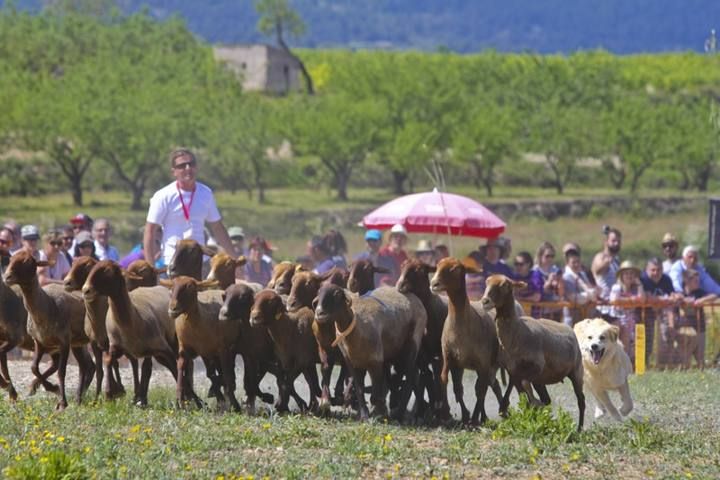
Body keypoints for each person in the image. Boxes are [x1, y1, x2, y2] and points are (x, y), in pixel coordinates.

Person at [144, 148, 237, 267]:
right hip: (172, 262)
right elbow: (149, 231)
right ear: (174, 171)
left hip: (200, 261)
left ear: (196, 167)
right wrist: (151, 267)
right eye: (182, 165)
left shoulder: (206, 193)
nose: (188, 168)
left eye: (191, 164)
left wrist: (234, 259)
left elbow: (217, 227)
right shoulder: (163, 196)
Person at [641, 258, 681, 368]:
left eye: (658, 270)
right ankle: (645, 365)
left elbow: (672, 295)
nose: (656, 273)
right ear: (646, 270)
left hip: (664, 315)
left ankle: (664, 365)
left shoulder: (666, 279)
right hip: (645, 315)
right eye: (652, 270)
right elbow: (647, 297)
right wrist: (664, 300)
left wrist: (672, 297)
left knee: (666, 337)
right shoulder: (642, 279)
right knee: (647, 341)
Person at [676, 268, 716, 369]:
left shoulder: (699, 292)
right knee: (684, 359)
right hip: (685, 331)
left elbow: (714, 295)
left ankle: (700, 375)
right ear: (687, 281)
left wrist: (700, 300)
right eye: (695, 281)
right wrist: (683, 300)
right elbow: (675, 298)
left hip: (700, 329)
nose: (698, 283)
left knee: (700, 359)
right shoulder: (680, 292)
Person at [610, 260, 645, 364]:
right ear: (621, 275)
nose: (629, 276)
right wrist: (632, 301)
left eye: (632, 273)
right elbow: (614, 301)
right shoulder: (617, 287)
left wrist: (639, 285)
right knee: (622, 345)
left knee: (633, 347)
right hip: (619, 320)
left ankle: (632, 367)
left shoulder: (636, 289)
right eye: (626, 273)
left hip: (632, 321)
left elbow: (642, 300)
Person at [592, 226, 622, 322]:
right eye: (613, 241)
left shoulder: (617, 260)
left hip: (615, 307)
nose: (616, 244)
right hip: (602, 308)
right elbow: (597, 271)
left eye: (618, 241)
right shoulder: (600, 257)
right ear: (606, 242)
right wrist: (606, 261)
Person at [562, 248, 598, 327]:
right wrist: (589, 295)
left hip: (585, 317)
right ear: (567, 263)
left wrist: (589, 294)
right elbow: (574, 298)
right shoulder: (566, 277)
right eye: (573, 262)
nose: (576, 264)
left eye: (578, 262)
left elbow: (594, 293)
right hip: (571, 317)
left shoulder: (582, 274)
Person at [533, 241, 563, 321]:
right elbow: (538, 293)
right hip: (540, 312)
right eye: (547, 256)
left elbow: (561, 293)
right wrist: (549, 282)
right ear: (540, 256)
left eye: (552, 256)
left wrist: (559, 282)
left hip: (555, 311)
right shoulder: (535, 272)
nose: (550, 259)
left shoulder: (556, 270)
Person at [512, 251, 543, 317]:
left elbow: (536, 297)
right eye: (516, 264)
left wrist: (519, 298)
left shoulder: (535, 276)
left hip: (534, 316)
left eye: (521, 264)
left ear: (528, 264)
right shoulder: (514, 277)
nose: (518, 267)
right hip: (518, 316)